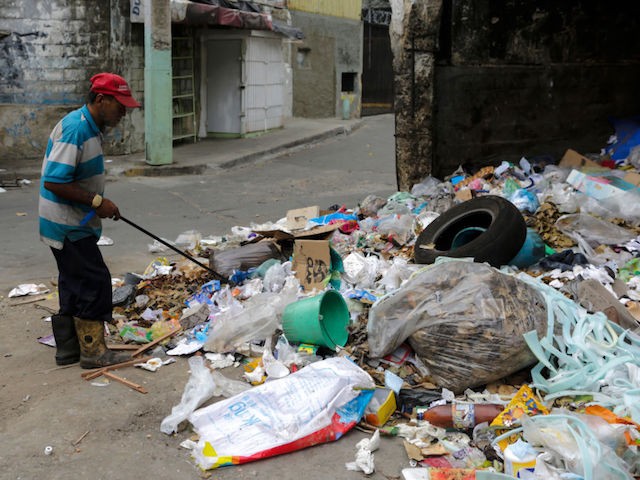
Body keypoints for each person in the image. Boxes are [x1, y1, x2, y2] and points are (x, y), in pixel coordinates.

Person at [39, 73, 141, 369]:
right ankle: (93, 352)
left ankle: (68, 350)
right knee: (95, 282)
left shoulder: (92, 127)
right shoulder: (76, 129)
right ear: (101, 99)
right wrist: (97, 202)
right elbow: (55, 182)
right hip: (66, 223)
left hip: (72, 220)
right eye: (119, 105)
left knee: (73, 281)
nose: (124, 112)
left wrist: (98, 206)